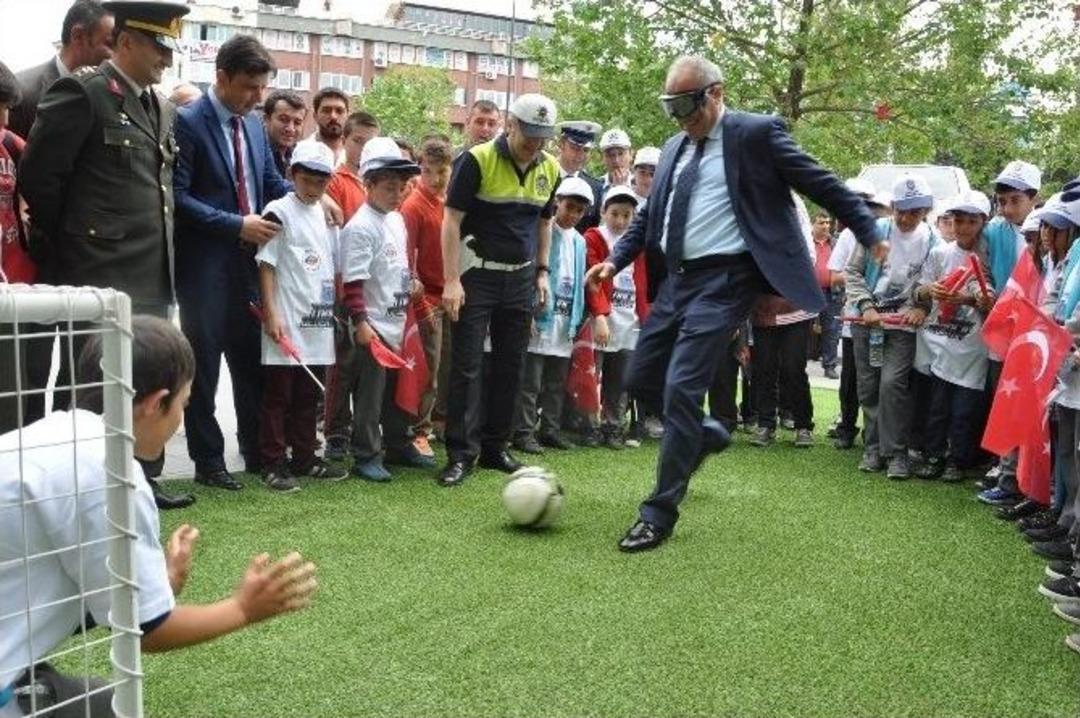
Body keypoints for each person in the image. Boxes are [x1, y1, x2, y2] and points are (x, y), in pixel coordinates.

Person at [586, 55, 879, 552]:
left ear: (716, 94)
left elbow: (820, 182)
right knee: (641, 379)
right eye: (670, 108)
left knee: (681, 387)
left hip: (726, 280)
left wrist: (870, 230)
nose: (680, 119)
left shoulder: (756, 134)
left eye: (687, 106)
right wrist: (616, 260)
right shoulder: (678, 145)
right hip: (678, 280)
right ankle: (703, 434)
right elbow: (650, 215)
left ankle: (658, 512)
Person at [0, 316, 317, 718]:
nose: (180, 417)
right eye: (183, 404)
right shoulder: (112, 472)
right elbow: (146, 633)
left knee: (96, 703)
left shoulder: (50, 434)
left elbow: (59, 596)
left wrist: (157, 584)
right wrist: (243, 608)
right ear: (155, 404)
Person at [19, 0, 194, 511]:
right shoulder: (83, 93)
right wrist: (78, 242)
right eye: (159, 45)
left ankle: (140, 482)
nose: (166, 57)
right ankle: (75, 492)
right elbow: (38, 178)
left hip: (152, 272)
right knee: (91, 387)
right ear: (128, 41)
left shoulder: (159, 106)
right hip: (96, 273)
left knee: (145, 380)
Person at [173, 33, 290, 491]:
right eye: (248, 87)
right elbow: (178, 198)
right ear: (221, 77)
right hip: (203, 267)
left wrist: (309, 199)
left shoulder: (255, 126)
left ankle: (257, 450)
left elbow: (268, 181)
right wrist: (235, 224)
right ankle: (208, 460)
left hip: (250, 266)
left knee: (250, 360)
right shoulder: (186, 122)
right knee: (203, 365)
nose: (258, 97)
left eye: (263, 88)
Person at [438, 93, 560, 487]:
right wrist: (452, 279)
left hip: (521, 278)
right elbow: (451, 221)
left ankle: (495, 448)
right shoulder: (476, 160)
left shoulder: (551, 168)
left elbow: (543, 224)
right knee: (468, 366)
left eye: (543, 137)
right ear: (511, 125)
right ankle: (460, 454)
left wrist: (542, 271)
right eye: (530, 135)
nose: (536, 144)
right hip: (476, 276)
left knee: (512, 365)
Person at [255, 141, 346, 492]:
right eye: (307, 180)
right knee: (278, 395)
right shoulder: (278, 210)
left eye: (322, 182)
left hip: (318, 321)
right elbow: (266, 264)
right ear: (293, 175)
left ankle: (306, 457)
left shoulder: (326, 216)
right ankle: (273, 462)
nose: (314, 188)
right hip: (286, 319)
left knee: (309, 396)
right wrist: (270, 313)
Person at [338, 137, 428, 481]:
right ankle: (366, 454)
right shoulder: (361, 227)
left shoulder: (396, 220)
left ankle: (399, 444)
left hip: (397, 323)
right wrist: (361, 323)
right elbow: (353, 284)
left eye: (402, 187)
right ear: (369, 184)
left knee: (398, 390)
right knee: (370, 397)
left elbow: (398, 267)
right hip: (373, 326)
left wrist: (413, 283)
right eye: (389, 187)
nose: (398, 194)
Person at [846, 173, 938, 480]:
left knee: (893, 385)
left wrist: (921, 307)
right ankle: (872, 448)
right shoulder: (874, 232)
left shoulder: (932, 241)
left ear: (925, 211)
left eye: (915, 211)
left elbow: (929, 284)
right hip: (866, 321)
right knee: (869, 386)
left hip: (901, 325)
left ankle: (896, 451)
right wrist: (866, 305)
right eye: (902, 210)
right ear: (893, 207)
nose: (907, 217)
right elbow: (853, 272)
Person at [912, 190, 993, 482]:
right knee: (938, 407)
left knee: (964, 411)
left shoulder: (988, 257)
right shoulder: (939, 253)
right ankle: (934, 456)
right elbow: (919, 291)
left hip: (972, 347)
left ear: (982, 222)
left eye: (971, 221)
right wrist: (930, 291)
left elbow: (991, 298)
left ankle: (958, 460)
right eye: (957, 220)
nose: (962, 227)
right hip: (939, 343)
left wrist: (972, 300)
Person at [512, 177, 593, 454]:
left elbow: (581, 282)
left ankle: (550, 429)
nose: (572, 215)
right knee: (530, 381)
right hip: (541, 317)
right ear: (557, 202)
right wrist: (531, 311)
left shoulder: (581, 242)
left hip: (565, 322)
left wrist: (578, 317)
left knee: (557, 382)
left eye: (579, 211)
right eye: (569, 207)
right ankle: (523, 431)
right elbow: (535, 272)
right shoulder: (543, 230)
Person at [978, 159, 1042, 505]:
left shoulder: (1047, 231)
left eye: (1014, 200)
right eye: (1001, 201)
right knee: (1001, 401)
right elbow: (985, 272)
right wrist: (986, 293)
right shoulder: (993, 231)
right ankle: (1003, 471)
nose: (1006, 208)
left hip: (1036, 336)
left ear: (1034, 197)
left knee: (1027, 408)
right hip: (1003, 329)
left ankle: (1020, 480)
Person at [828, 182, 892, 450]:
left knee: (883, 382)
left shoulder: (888, 233)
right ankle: (847, 426)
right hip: (855, 319)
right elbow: (834, 277)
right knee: (852, 380)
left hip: (889, 321)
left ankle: (875, 436)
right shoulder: (847, 236)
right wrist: (865, 278)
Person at [583, 185, 648, 449]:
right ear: (603, 212)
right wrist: (599, 315)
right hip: (602, 318)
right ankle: (589, 426)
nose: (620, 220)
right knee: (592, 375)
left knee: (620, 379)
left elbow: (645, 282)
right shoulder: (594, 238)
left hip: (630, 320)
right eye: (615, 214)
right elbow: (592, 281)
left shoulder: (638, 243)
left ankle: (614, 426)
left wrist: (646, 316)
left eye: (627, 215)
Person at [400, 136, 454, 456]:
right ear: (420, 169)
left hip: (449, 296)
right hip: (425, 302)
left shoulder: (449, 204)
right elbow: (408, 261)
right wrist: (420, 302)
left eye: (443, 172)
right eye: (430, 171)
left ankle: (437, 422)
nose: (436, 178)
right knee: (427, 369)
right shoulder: (413, 206)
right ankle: (416, 431)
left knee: (446, 367)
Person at [9, 0, 114, 139]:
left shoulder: (114, 95)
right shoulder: (22, 94)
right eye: (110, 44)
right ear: (78, 36)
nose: (116, 55)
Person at [325, 110, 379, 224]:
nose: (364, 148)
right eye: (358, 141)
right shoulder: (334, 182)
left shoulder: (382, 181)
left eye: (370, 143)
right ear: (344, 141)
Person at [553, 121, 604, 230]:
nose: (580, 155)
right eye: (575, 148)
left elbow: (591, 229)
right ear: (561, 144)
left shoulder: (595, 187)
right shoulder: (544, 177)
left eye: (586, 150)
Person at [811, 211, 841, 379]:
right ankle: (801, 361)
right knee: (803, 328)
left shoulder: (836, 244)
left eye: (828, 223)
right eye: (821, 222)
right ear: (813, 225)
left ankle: (829, 365)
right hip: (809, 293)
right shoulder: (805, 242)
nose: (825, 226)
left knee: (831, 330)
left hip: (832, 293)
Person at [295, 87, 349, 167]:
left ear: (347, 116)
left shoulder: (357, 154)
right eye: (326, 110)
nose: (333, 116)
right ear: (315, 116)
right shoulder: (300, 151)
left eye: (339, 111)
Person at [262, 89, 306, 176]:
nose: (290, 128)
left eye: (297, 122)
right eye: (284, 120)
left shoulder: (301, 157)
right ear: (266, 119)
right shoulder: (255, 155)